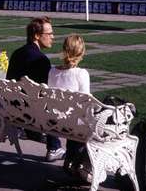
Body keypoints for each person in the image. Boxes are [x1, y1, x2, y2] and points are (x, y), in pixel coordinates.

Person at [6, 16, 65, 162]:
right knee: (52, 103)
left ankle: (34, 135)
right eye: (49, 33)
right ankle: (54, 147)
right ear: (37, 36)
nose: (53, 37)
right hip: (32, 115)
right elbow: (45, 94)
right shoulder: (41, 60)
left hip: (14, 110)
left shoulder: (17, 53)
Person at [48, 35, 91, 181]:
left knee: (73, 117)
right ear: (82, 52)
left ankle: (73, 159)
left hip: (55, 121)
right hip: (73, 124)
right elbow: (86, 104)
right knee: (85, 120)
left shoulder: (52, 71)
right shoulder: (81, 74)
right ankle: (78, 161)